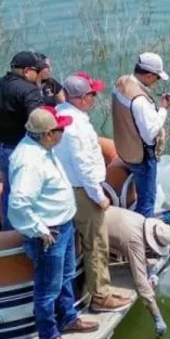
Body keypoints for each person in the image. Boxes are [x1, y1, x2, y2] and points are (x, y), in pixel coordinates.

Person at [8, 106, 98, 339]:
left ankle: (68, 318)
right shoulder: (30, 162)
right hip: (50, 233)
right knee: (48, 287)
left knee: (65, 276)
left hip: (62, 225)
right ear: (48, 134)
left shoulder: (42, 149)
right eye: (61, 130)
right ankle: (48, 334)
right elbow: (19, 202)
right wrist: (39, 229)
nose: (63, 133)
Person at [54, 72, 126, 312]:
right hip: (82, 191)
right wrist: (98, 196)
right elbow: (83, 165)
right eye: (93, 94)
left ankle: (88, 293)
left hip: (65, 188)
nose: (95, 98)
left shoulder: (59, 115)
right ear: (83, 97)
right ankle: (101, 296)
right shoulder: (76, 126)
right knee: (96, 244)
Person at [0, 51, 46, 229]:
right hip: (24, 151)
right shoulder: (29, 90)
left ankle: (8, 233)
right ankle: (32, 234)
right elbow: (38, 122)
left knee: (9, 192)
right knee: (32, 194)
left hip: (2, 148)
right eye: (37, 71)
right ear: (27, 71)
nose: (38, 75)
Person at [112, 52, 170, 219]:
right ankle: (143, 229)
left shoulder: (121, 82)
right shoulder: (140, 100)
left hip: (123, 148)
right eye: (157, 77)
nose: (157, 81)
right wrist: (163, 109)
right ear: (149, 75)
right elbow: (150, 133)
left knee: (142, 194)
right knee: (147, 200)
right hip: (142, 156)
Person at [104, 205, 170, 338]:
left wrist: (151, 272)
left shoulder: (140, 220)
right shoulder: (134, 242)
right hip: (88, 226)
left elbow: (145, 251)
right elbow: (141, 283)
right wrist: (157, 317)